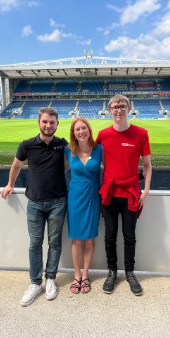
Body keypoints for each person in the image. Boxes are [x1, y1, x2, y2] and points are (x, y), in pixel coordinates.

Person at [1, 107, 68, 306]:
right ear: (39, 122)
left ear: (57, 124)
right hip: (35, 202)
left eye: (52, 122)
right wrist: (10, 184)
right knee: (35, 244)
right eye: (45, 122)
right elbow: (16, 166)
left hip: (58, 201)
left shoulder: (62, 144)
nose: (48, 125)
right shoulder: (27, 145)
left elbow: (66, 167)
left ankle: (50, 280)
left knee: (55, 243)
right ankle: (35, 282)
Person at [96, 94, 152, 296]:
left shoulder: (141, 133)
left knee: (130, 237)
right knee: (109, 236)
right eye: (115, 106)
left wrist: (145, 190)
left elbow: (147, 165)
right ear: (109, 110)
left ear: (129, 109)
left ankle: (130, 273)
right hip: (110, 193)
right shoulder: (102, 135)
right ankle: (112, 272)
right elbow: (96, 161)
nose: (118, 110)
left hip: (131, 193)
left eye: (122, 106)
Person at [64, 117, 102, 294]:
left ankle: (86, 275)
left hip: (93, 196)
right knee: (77, 238)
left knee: (89, 239)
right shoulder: (68, 151)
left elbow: (111, 170)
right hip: (75, 197)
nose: (81, 131)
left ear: (89, 129)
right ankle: (77, 275)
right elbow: (59, 172)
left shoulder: (99, 149)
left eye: (83, 128)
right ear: (73, 133)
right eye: (77, 129)